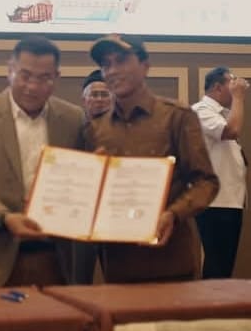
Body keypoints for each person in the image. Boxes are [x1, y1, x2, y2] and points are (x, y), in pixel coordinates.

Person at [0, 36, 87, 288]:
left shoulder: (72, 118)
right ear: (10, 71)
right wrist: (4, 217)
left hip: (54, 258)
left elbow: (79, 177)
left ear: (56, 77)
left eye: (44, 78)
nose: (33, 86)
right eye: (25, 76)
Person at [85, 34, 219, 283]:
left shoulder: (177, 117)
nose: (112, 71)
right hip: (118, 266)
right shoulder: (95, 129)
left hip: (171, 263)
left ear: (145, 65)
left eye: (121, 61)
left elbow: (207, 182)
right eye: (106, 64)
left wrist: (173, 214)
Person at [192, 67, 249, 279]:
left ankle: (217, 297)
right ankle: (211, 299)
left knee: (224, 264)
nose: (236, 87)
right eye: (231, 83)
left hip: (229, 200)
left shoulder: (221, 113)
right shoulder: (201, 110)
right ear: (217, 87)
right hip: (216, 201)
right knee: (217, 264)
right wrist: (239, 97)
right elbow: (232, 131)